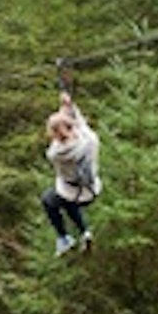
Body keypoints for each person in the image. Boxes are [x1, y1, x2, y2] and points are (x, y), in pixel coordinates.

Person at [41, 89, 101, 256]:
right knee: (67, 202)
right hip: (91, 190)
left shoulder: (56, 154)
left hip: (71, 192)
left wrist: (63, 113)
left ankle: (64, 237)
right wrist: (69, 107)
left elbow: (58, 142)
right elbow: (80, 124)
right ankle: (85, 232)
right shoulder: (90, 140)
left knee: (48, 200)